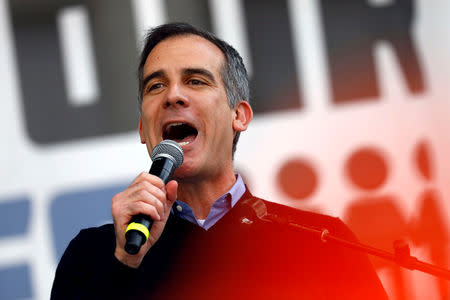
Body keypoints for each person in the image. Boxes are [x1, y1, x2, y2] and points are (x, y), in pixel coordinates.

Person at [51, 22, 389, 300]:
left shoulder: (321, 243)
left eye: (196, 81)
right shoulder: (93, 256)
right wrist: (124, 264)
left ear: (238, 116)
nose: (173, 96)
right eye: (156, 86)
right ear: (143, 128)